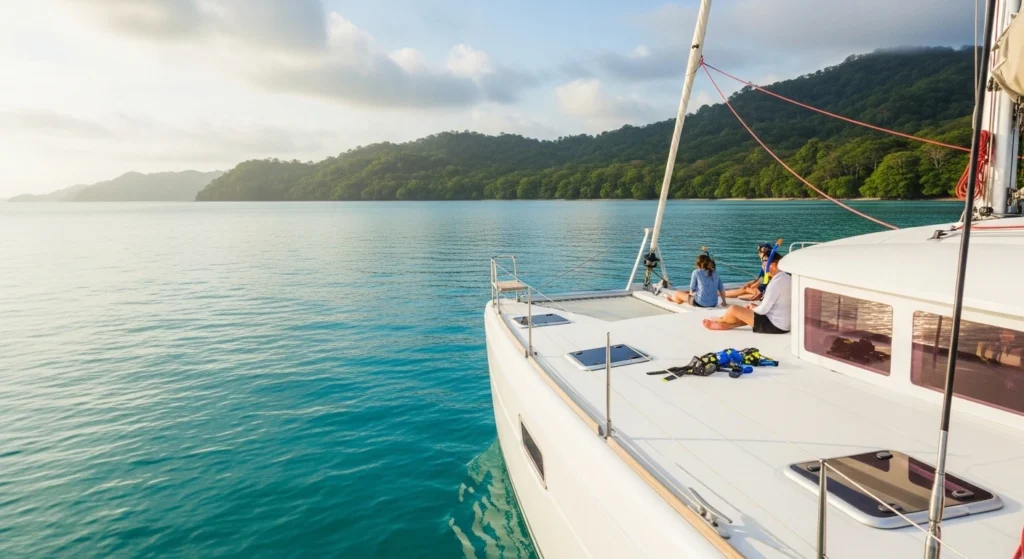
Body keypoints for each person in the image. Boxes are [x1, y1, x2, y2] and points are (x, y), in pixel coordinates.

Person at [703, 252, 790, 333]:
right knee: (746, 312)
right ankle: (728, 325)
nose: (763, 267)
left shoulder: (774, 284)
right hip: (785, 324)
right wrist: (755, 307)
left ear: (773, 265)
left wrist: (752, 309)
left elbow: (763, 310)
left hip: (774, 326)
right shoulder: (788, 277)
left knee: (733, 309)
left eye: (764, 263)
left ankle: (721, 321)